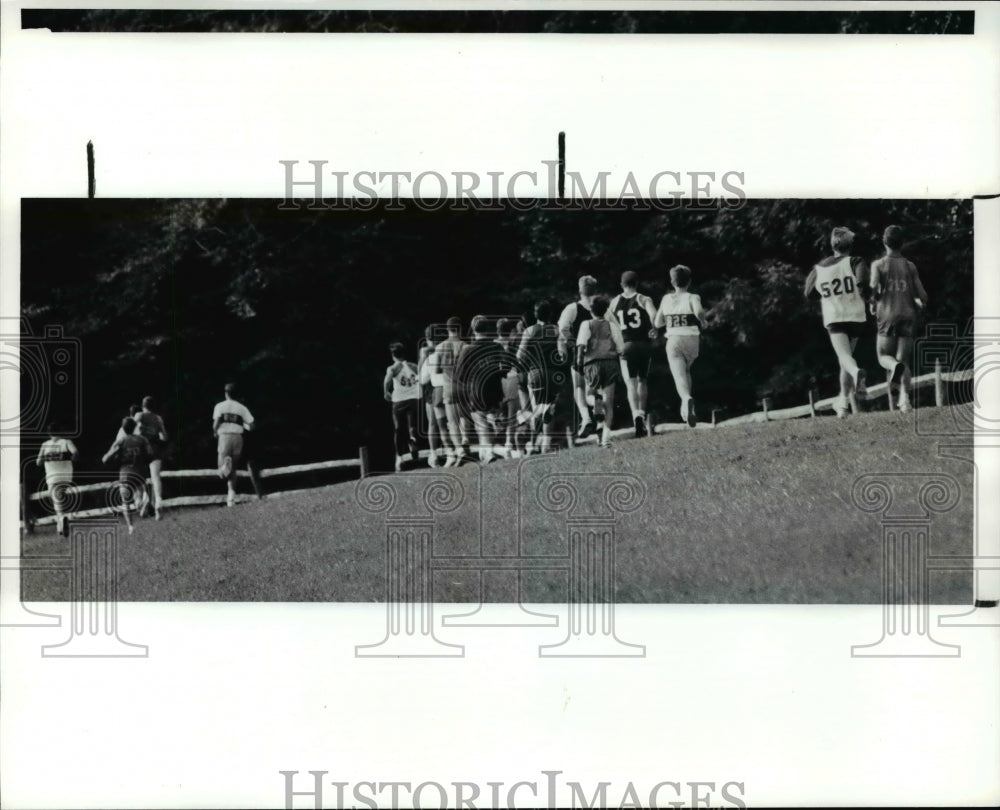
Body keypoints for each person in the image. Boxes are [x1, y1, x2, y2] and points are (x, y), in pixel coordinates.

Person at [803, 227, 873, 418]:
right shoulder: (856, 261)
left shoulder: (820, 268)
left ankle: (857, 372)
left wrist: (828, 294)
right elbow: (862, 283)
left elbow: (809, 293)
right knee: (845, 359)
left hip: (835, 317)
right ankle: (842, 403)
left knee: (845, 358)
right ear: (850, 245)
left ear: (833, 244)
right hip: (856, 316)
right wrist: (869, 299)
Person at [869, 225, 929, 413]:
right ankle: (905, 402)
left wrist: (872, 304)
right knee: (904, 361)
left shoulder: (878, 265)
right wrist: (919, 303)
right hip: (908, 315)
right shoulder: (910, 266)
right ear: (902, 243)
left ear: (884, 242)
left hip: (887, 315)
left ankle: (894, 367)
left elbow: (873, 290)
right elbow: (923, 296)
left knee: (883, 357)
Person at [655, 265, 709, 427]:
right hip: (692, 339)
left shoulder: (666, 299)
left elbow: (657, 323)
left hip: (674, 340)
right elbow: (699, 312)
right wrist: (703, 321)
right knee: (686, 371)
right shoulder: (693, 297)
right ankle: (687, 410)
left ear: (672, 282)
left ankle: (686, 400)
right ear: (689, 281)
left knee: (679, 375)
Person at [610, 270, 659, 438]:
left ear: (621, 285)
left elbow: (608, 323)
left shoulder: (615, 301)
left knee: (630, 383)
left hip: (626, 345)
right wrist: (653, 329)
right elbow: (654, 315)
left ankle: (636, 416)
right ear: (637, 283)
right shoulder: (644, 299)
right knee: (642, 381)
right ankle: (642, 414)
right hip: (644, 344)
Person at [576, 296, 625, 449]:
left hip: (593, 364)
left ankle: (595, 402)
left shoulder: (586, 324)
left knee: (588, 395)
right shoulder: (612, 326)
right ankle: (606, 439)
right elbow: (621, 348)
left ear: (591, 310)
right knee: (609, 403)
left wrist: (579, 360)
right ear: (605, 311)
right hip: (610, 363)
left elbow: (582, 344)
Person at [456, 315, 506, 463]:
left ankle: (489, 452)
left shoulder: (467, 349)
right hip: (495, 388)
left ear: (473, 330)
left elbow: (460, 375)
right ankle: (495, 431)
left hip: (476, 389)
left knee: (481, 423)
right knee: (490, 416)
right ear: (488, 328)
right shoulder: (496, 346)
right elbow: (505, 367)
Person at [557, 275, 600, 438]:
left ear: (580, 289)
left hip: (580, 353)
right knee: (593, 391)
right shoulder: (601, 307)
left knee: (579, 388)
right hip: (599, 353)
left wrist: (570, 343)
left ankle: (586, 417)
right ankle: (597, 411)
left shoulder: (573, 308)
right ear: (595, 290)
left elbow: (562, 328)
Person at [518, 300, 563, 454]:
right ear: (550, 314)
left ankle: (532, 443)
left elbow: (519, 356)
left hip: (535, 374)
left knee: (537, 410)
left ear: (535, 314)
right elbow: (563, 353)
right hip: (553, 374)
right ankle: (546, 445)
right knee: (550, 409)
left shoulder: (529, 331)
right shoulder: (556, 330)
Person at [101, 417, 151, 535]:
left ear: (123, 428)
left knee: (125, 502)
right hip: (139, 472)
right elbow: (150, 454)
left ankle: (131, 527)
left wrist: (113, 454)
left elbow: (105, 459)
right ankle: (142, 502)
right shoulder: (142, 439)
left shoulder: (121, 441)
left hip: (125, 473)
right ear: (134, 427)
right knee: (139, 492)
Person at [212, 383, 255, 507]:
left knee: (222, 471)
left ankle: (225, 466)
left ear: (226, 393)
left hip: (224, 436)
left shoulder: (219, 406)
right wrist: (243, 425)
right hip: (238, 438)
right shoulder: (241, 408)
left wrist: (215, 432)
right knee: (234, 469)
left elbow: (215, 424)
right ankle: (231, 497)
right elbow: (252, 425)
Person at [435, 317, 471, 464]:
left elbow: (437, 368)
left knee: (452, 421)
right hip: (464, 387)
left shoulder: (440, 347)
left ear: (447, 329)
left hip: (449, 387)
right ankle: (466, 438)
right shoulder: (465, 346)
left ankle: (459, 449)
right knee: (464, 416)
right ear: (460, 329)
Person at [35, 422, 78, 538]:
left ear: (49, 433)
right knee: (59, 498)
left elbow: (38, 462)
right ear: (61, 431)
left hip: (52, 476)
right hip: (66, 475)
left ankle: (62, 517)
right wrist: (69, 458)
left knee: (56, 500)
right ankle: (60, 527)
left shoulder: (45, 445)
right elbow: (75, 453)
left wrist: (47, 457)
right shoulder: (66, 442)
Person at [384, 342, 421, 472]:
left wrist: (386, 391)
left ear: (393, 355)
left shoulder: (393, 368)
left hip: (399, 401)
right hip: (414, 399)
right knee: (412, 426)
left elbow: (387, 380)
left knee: (398, 429)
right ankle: (412, 440)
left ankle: (399, 458)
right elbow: (420, 380)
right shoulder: (414, 366)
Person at [134, 395, 168, 520]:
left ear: (143, 406)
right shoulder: (158, 418)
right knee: (155, 478)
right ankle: (158, 500)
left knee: (140, 479)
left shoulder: (139, 416)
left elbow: (132, 431)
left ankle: (143, 501)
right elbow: (164, 437)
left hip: (142, 451)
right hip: (155, 450)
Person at [418, 327, 444, 468]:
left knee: (433, 423)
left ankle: (433, 454)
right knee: (444, 422)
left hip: (431, 387)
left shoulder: (425, 352)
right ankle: (449, 452)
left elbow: (421, 377)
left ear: (428, 338)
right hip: (442, 386)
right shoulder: (443, 348)